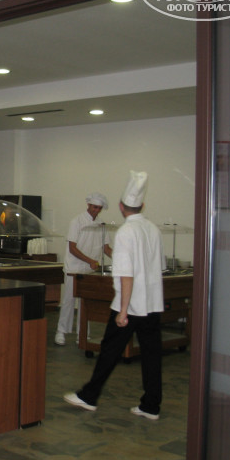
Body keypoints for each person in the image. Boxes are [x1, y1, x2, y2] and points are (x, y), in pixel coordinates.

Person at [64, 171, 166, 420]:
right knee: (152, 355)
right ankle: (151, 406)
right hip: (152, 304)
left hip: (130, 305)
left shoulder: (125, 233)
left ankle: (89, 396)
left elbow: (126, 275)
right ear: (143, 206)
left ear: (121, 207)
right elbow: (160, 267)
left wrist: (122, 310)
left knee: (109, 351)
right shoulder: (153, 229)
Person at [54, 192, 113, 346]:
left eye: (99, 208)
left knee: (85, 302)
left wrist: (121, 259)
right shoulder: (77, 221)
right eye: (94, 207)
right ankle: (61, 332)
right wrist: (90, 260)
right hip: (74, 268)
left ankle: (82, 334)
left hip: (89, 270)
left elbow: (106, 248)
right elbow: (72, 248)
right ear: (88, 205)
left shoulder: (101, 224)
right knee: (69, 300)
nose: (96, 210)